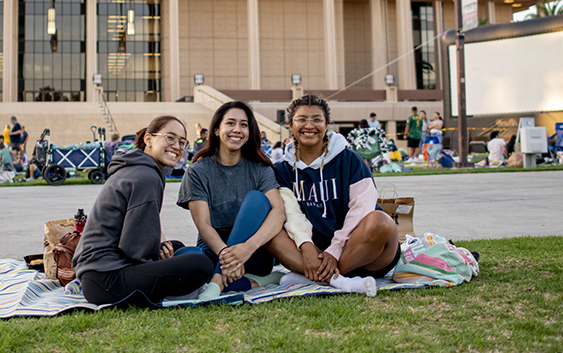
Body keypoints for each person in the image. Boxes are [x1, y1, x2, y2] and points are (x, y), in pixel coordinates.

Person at [73, 115, 214, 306]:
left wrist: (158, 251)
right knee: (201, 265)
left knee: (177, 247)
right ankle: (175, 293)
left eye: (182, 142)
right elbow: (134, 247)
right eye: (170, 138)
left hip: (96, 273)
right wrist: (155, 256)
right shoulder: (146, 176)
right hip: (106, 279)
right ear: (148, 139)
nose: (177, 147)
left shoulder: (138, 168)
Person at [267, 94, 392, 296]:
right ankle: (336, 279)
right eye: (302, 119)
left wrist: (336, 249)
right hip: (312, 255)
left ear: (327, 124)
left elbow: (363, 207)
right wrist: (306, 245)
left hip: (363, 253)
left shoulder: (350, 159)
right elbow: (290, 213)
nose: (309, 125)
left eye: (317, 119)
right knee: (269, 229)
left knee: (380, 221)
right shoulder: (282, 170)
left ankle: (317, 276)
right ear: (290, 124)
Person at [177, 101, 285, 300]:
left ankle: (216, 283)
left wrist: (247, 248)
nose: (237, 129)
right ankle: (259, 282)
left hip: (253, 251)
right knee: (184, 258)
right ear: (217, 130)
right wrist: (228, 257)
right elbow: (203, 225)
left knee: (256, 199)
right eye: (231, 123)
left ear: (250, 132)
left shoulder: (261, 169)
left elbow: (279, 213)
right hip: (214, 247)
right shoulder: (197, 171)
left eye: (244, 125)